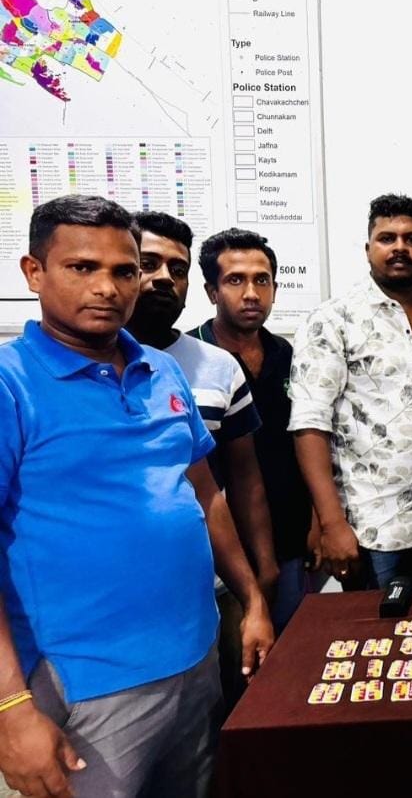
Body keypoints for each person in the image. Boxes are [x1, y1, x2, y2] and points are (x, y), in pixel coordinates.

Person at [0, 195, 272, 797]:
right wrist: (10, 708)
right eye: (82, 267)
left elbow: (207, 496)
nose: (108, 287)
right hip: (88, 689)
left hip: (195, 662)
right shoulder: (10, 383)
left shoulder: (161, 371)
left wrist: (252, 599)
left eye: (124, 270)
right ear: (34, 272)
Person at [289, 194, 412, 590]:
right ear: (368, 249)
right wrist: (331, 523)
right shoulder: (333, 320)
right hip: (369, 531)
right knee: (377, 628)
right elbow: (310, 425)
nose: (400, 248)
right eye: (387, 238)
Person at [127, 211, 276, 710]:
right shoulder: (70, 367)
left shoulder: (213, 366)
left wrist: (258, 578)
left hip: (214, 584)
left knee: (225, 715)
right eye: (147, 264)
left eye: (177, 268)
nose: (163, 278)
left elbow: (236, 480)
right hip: (118, 599)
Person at [191, 228, 320, 631]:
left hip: (290, 538)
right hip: (219, 550)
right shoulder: (189, 359)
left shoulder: (287, 353)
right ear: (212, 291)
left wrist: (316, 520)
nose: (251, 293)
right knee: (236, 656)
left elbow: (306, 438)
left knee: (293, 652)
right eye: (235, 280)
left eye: (261, 280)